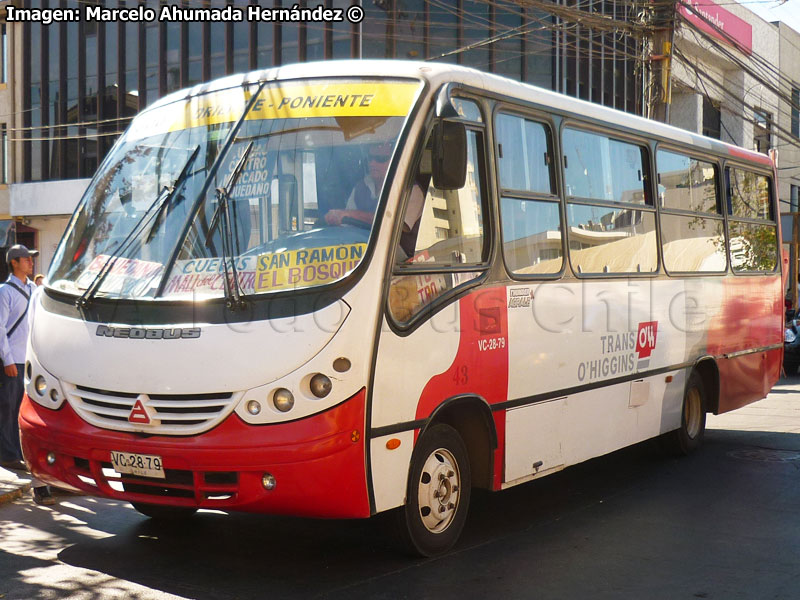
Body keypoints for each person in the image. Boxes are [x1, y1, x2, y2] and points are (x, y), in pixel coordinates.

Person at [0, 245, 55, 505]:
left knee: (27, 411)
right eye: (26, 259)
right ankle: (9, 453)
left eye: (32, 258)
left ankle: (20, 453)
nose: (31, 263)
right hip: (12, 360)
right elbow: (0, 328)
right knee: (9, 408)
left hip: (31, 361)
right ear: (14, 263)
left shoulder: (34, 290)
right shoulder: (4, 292)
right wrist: (7, 359)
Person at [324, 143, 392, 227]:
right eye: (370, 158)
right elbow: (347, 222)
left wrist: (349, 214)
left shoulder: (405, 190)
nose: (372, 164)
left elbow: (389, 221)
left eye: (380, 159)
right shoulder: (360, 187)